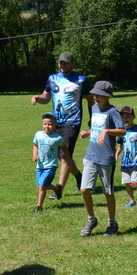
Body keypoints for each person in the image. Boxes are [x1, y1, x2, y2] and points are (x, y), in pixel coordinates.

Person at [30, 51, 92, 200]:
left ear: (73, 63)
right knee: (61, 156)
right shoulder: (52, 78)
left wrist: (92, 119)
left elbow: (90, 100)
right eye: (61, 62)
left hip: (72, 122)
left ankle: (58, 190)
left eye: (66, 63)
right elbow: (46, 97)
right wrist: (38, 98)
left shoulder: (81, 80)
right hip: (55, 123)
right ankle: (79, 176)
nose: (63, 65)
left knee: (64, 156)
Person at [78, 81, 126, 236]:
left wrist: (106, 132)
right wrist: (88, 132)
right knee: (84, 189)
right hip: (91, 155)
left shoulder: (113, 111)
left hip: (106, 158)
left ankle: (112, 223)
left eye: (100, 95)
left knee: (108, 192)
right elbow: (96, 127)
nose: (96, 97)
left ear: (108, 96)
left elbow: (122, 131)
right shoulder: (94, 108)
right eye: (95, 94)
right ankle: (91, 219)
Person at [32, 112, 72, 212]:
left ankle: (39, 207)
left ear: (55, 125)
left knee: (42, 186)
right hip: (40, 166)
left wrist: (68, 158)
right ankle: (57, 189)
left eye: (50, 124)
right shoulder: (38, 134)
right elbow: (35, 145)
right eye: (45, 124)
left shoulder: (57, 138)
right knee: (40, 186)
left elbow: (64, 147)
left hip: (51, 166)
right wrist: (35, 155)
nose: (47, 126)